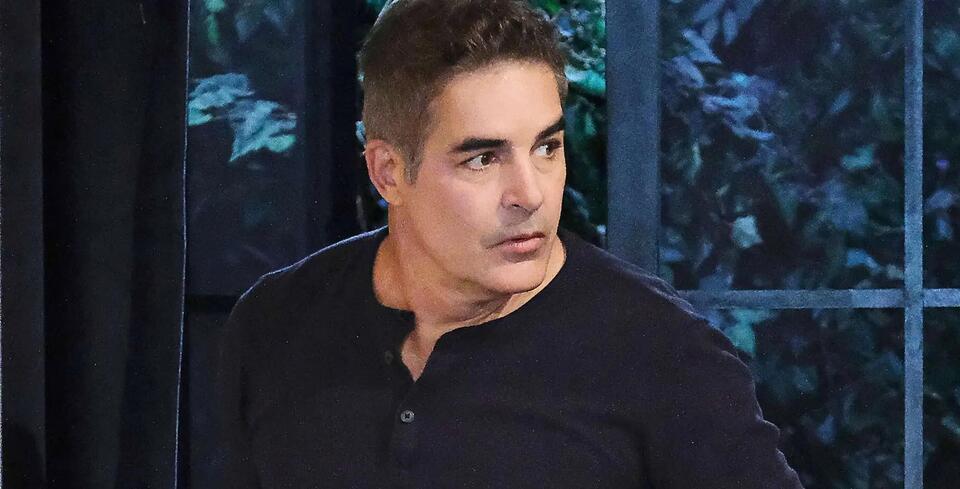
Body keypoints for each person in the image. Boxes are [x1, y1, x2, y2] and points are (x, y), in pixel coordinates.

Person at [213, 0, 805, 487]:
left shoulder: (664, 352)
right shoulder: (276, 322)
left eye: (547, 148)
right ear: (388, 173)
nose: (530, 194)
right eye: (483, 158)